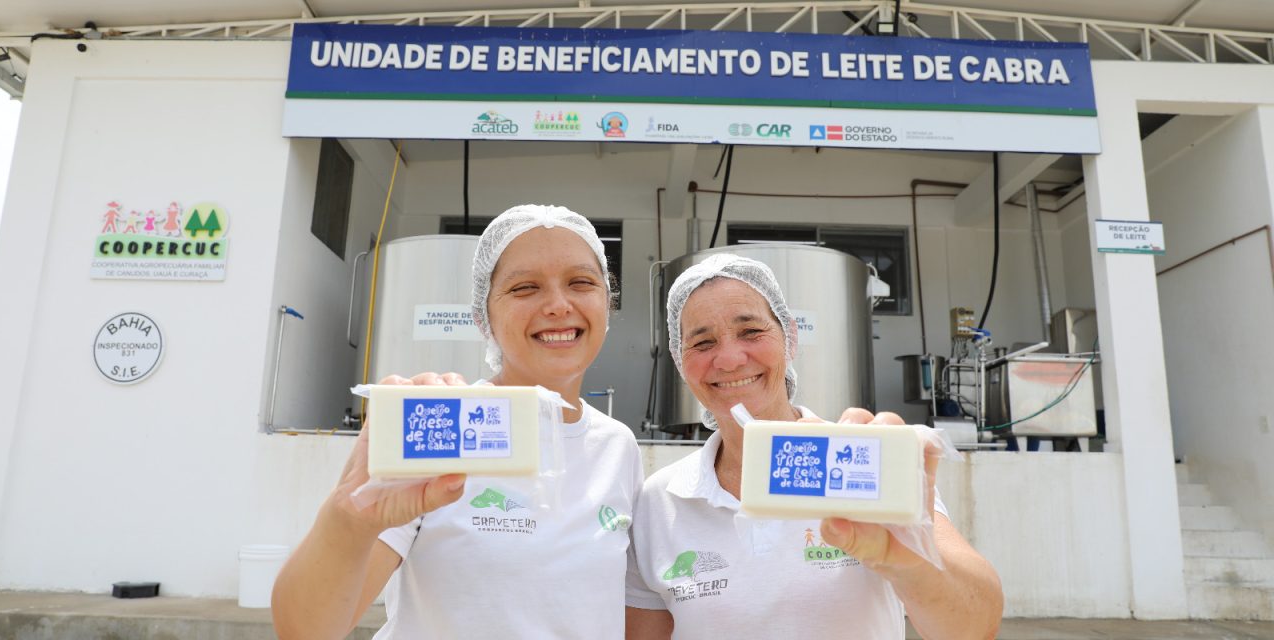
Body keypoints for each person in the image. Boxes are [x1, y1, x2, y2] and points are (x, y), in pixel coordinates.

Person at [272, 205, 642, 640]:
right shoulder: (442, 429)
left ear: (607, 302)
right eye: (525, 288)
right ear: (483, 317)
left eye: (581, 283)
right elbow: (305, 631)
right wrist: (348, 516)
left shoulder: (618, 446)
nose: (559, 306)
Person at [625, 254, 1003, 639]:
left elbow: (976, 626)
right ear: (680, 360)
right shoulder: (661, 503)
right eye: (703, 342)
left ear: (789, 337)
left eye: (751, 332)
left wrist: (905, 558)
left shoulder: (862, 468)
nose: (729, 359)